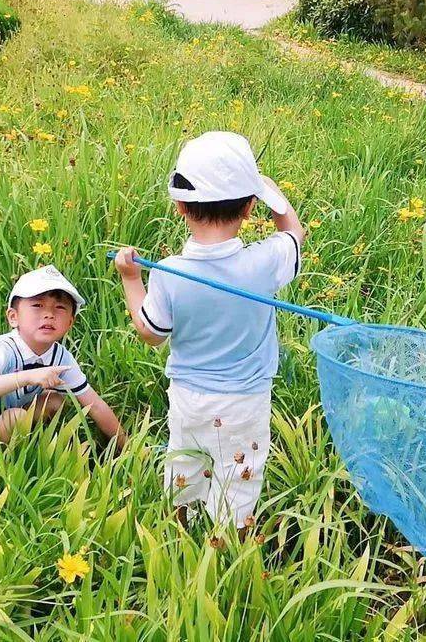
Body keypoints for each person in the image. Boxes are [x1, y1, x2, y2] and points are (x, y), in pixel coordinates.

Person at [113, 131, 303, 536]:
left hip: (188, 400)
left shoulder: (167, 272)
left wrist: (132, 279)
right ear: (251, 207)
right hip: (245, 402)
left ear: (180, 205)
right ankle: (224, 551)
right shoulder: (266, 261)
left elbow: (151, 334)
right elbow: (294, 231)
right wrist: (273, 195)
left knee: (184, 464)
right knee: (238, 478)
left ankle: (180, 536)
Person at [0, 265, 125, 452]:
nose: (48, 314)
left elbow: (95, 405)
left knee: (54, 400)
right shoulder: (3, 348)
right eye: (37, 305)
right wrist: (28, 376)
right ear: (13, 317)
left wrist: (129, 447)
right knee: (16, 417)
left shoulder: (60, 356)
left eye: (60, 308)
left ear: (70, 322)